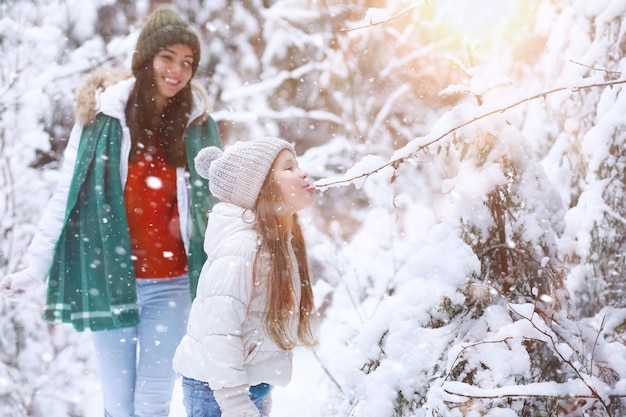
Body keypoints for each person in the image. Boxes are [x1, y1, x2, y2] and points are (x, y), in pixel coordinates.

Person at [0, 7, 222, 417]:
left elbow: (223, 202)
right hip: (112, 278)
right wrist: (36, 266)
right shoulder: (104, 120)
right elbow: (65, 193)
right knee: (119, 406)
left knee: (152, 404)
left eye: (187, 62)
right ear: (147, 58)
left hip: (171, 286)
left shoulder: (196, 125)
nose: (177, 70)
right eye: (167, 58)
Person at [172, 137, 319, 417]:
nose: (302, 173)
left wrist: (259, 392)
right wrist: (236, 403)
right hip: (216, 390)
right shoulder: (241, 249)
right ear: (262, 189)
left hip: (243, 385)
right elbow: (218, 332)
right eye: (288, 168)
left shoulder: (277, 242)